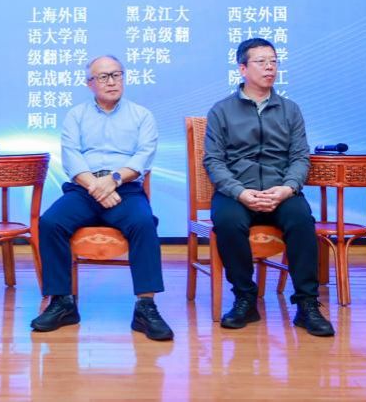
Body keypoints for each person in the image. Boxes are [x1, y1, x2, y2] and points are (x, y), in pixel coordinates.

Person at [30, 55, 173, 341]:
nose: (112, 82)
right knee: (51, 222)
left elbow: (143, 157)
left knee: (144, 223)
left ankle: (145, 306)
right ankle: (62, 302)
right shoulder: (76, 115)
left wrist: (113, 180)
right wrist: (96, 186)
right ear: (89, 83)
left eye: (117, 75)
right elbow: (71, 157)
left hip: (125, 188)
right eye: (104, 77)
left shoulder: (141, 116)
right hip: (85, 188)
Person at [203, 38, 335, 337]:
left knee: (301, 219)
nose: (269, 67)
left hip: (281, 191)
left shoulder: (290, 110)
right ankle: (245, 299)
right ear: (243, 68)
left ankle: (307, 304)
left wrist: (288, 188)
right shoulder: (221, 111)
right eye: (261, 61)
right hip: (237, 191)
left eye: (273, 61)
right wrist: (239, 192)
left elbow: (300, 157)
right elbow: (213, 160)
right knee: (227, 221)